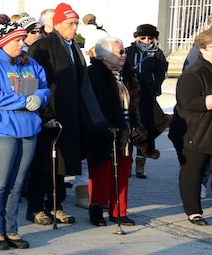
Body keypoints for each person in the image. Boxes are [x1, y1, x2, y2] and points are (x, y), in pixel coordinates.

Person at [0, 19, 50, 249]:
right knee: (0, 183)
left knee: (17, 184)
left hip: (29, 129)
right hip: (2, 130)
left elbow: (44, 87)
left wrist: (40, 97)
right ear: (5, 41)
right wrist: (23, 100)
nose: (22, 43)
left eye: (23, 39)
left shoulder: (30, 63)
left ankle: (12, 229)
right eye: (18, 40)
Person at [26, 2, 87, 225]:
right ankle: (34, 206)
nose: (75, 28)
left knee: (61, 163)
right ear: (57, 24)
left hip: (69, 114)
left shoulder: (72, 46)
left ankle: (55, 204)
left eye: (76, 23)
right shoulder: (42, 46)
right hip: (48, 115)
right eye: (71, 24)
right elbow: (33, 83)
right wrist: (45, 113)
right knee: (44, 163)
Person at [86, 38, 148, 226]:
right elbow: (91, 105)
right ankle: (96, 208)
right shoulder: (93, 75)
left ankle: (119, 211)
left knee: (122, 171)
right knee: (101, 172)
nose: (124, 55)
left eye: (123, 52)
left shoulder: (129, 74)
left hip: (126, 131)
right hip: (102, 131)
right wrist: (104, 126)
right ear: (105, 56)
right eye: (119, 52)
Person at [176, 28, 212, 225]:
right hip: (196, 131)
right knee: (193, 172)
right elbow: (187, 102)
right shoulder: (194, 73)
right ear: (203, 49)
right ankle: (193, 211)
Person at [126, 24, 167, 179]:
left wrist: (153, 90)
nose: (146, 41)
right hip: (130, 96)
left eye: (150, 38)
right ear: (137, 38)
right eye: (143, 38)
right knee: (130, 128)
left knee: (145, 129)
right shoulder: (129, 51)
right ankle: (127, 162)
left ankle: (140, 164)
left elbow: (160, 74)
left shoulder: (157, 54)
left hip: (148, 96)